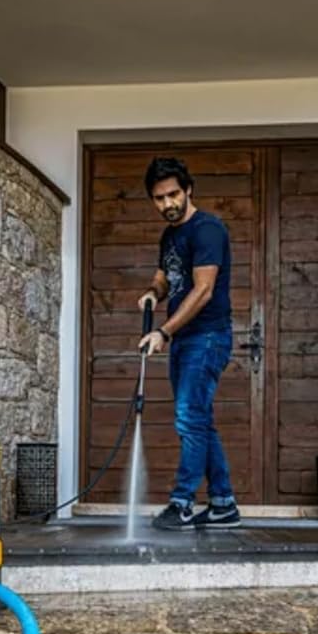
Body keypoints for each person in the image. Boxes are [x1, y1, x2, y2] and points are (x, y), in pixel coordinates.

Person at [136, 157, 241, 530]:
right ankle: (223, 504)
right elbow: (167, 276)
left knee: (189, 419)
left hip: (207, 337)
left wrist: (164, 331)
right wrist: (153, 293)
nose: (168, 204)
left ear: (188, 189)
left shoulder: (207, 229)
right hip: (184, 339)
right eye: (159, 198)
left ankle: (182, 502)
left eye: (173, 194)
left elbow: (203, 290)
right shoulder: (170, 235)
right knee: (199, 421)